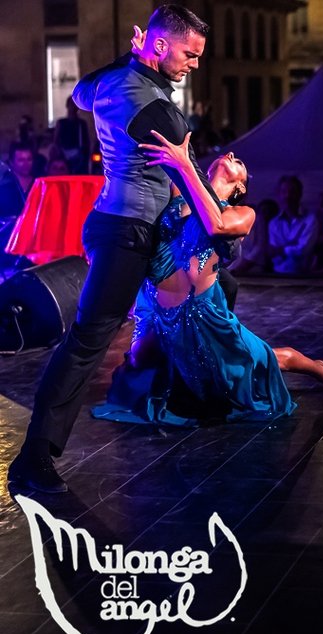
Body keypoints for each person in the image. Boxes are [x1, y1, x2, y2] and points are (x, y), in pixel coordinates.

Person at [8, 5, 228, 493]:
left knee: (217, 290)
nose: (195, 64)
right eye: (190, 54)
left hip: (119, 222)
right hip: (129, 233)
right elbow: (191, 188)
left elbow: (79, 91)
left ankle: (185, 392)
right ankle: (33, 457)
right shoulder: (160, 114)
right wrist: (226, 219)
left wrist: (125, 57)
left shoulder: (109, 83)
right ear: (158, 45)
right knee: (88, 339)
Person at [93, 134, 323, 427]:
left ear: (240, 186)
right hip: (156, 310)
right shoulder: (177, 191)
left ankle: (321, 370)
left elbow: (216, 226)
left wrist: (185, 168)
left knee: (267, 360)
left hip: (204, 317)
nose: (231, 153)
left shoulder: (242, 212)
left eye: (239, 162)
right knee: (139, 361)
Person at [269, 175, 317, 273]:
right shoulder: (274, 223)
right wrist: (292, 247)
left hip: (304, 274)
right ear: (279, 195)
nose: (288, 196)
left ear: (300, 194)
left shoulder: (310, 219)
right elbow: (274, 254)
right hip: (278, 273)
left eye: (292, 192)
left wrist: (282, 250)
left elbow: (304, 250)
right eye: (284, 192)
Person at [53, 99, 90, 174]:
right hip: (63, 154)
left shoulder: (81, 123)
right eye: (71, 105)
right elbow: (56, 139)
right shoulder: (61, 122)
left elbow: (86, 141)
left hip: (78, 155)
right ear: (67, 106)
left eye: (74, 105)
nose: (72, 108)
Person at [0, 145, 36, 218]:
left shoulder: (39, 183)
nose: (26, 164)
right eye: (21, 160)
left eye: (29, 159)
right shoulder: (3, 185)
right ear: (11, 162)